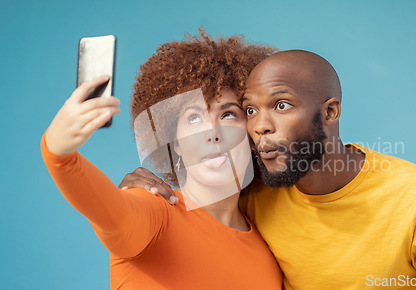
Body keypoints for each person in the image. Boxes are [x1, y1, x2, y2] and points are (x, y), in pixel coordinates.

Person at [121, 50, 416, 289]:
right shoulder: (256, 196)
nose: (260, 126)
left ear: (330, 112)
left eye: (281, 104)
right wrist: (141, 188)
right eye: (250, 110)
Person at [41, 29, 282, 289]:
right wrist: (58, 152)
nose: (211, 133)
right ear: (175, 142)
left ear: (251, 132)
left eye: (228, 115)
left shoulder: (269, 258)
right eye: (194, 118)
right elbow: (110, 212)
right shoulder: (156, 212)